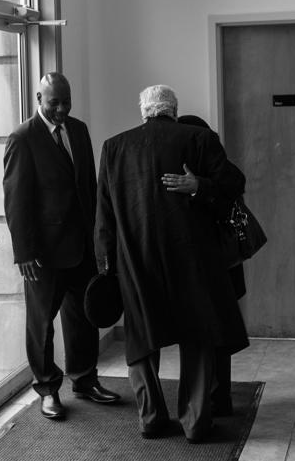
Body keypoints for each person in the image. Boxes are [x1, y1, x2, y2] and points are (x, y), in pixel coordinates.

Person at [96, 85, 248, 442]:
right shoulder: (199, 139)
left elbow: (104, 214)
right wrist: (199, 185)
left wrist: (105, 265)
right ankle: (195, 423)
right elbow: (235, 183)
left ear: (143, 112)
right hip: (192, 259)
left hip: (136, 259)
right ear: (174, 111)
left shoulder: (114, 147)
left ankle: (151, 418)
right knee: (197, 337)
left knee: (141, 339)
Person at [3, 72, 120, 420]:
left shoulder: (80, 130)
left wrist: (100, 240)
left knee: (84, 318)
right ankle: (48, 390)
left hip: (82, 248)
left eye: (66, 101)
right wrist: (23, 252)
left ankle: (85, 380)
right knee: (41, 326)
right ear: (39, 99)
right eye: (55, 102)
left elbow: (89, 188)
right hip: (43, 255)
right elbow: (16, 200)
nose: (62, 109)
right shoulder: (22, 138)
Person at [167, 114, 247, 417]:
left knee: (218, 333)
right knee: (209, 335)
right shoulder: (181, 166)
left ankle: (218, 399)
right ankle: (213, 398)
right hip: (202, 265)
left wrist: (198, 186)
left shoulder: (213, 166)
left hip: (219, 264)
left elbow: (234, 186)